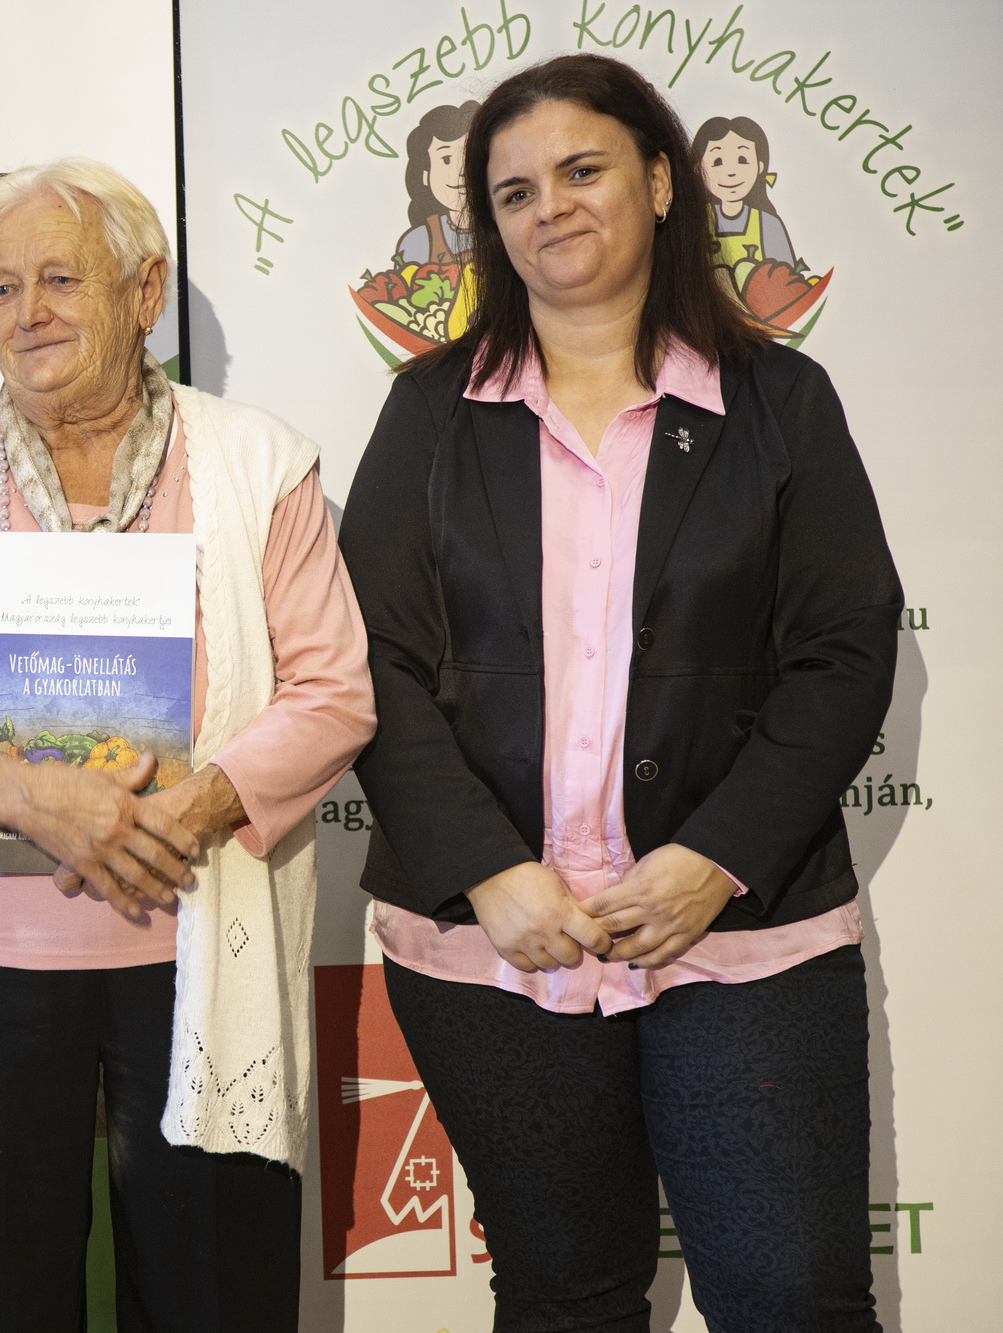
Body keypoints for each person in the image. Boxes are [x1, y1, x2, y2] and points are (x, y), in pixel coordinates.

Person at [340, 53, 899, 1332]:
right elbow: (368, 660)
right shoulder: (426, 414)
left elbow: (842, 649)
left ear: (656, 180)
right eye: (513, 191)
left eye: (580, 170)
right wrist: (485, 869)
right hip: (495, 949)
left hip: (738, 936)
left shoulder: (780, 401)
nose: (549, 207)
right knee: (563, 1301)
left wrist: (715, 856)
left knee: (790, 1300)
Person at [0, 158, 375, 1330]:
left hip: (198, 942)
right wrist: (27, 796)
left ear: (143, 290)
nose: (28, 313)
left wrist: (195, 805)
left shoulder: (256, 461)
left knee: (211, 1291)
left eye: (61, 279)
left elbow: (333, 692)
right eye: (2, 287)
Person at [692, 113, 799, 269]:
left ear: (760, 166)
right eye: (717, 161)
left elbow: (786, 276)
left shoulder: (769, 224)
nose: (731, 172)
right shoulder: (695, 221)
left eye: (742, 160)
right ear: (698, 169)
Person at [394, 101, 482, 268]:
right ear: (425, 175)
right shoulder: (417, 242)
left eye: (469, 157)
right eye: (446, 159)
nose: (461, 171)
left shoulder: (509, 226)